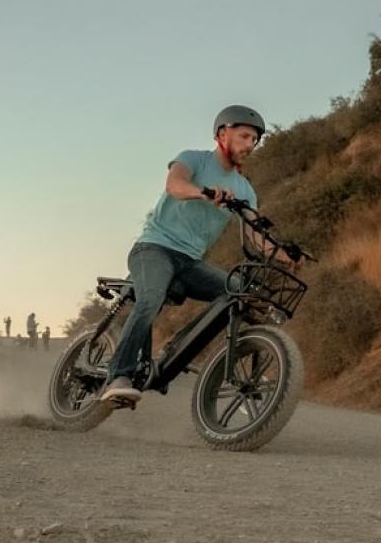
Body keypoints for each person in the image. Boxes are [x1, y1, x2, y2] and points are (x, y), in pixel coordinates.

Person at [99, 105, 295, 406]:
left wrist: (284, 255)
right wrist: (204, 192)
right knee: (151, 299)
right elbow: (174, 185)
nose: (250, 144)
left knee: (239, 295)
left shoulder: (244, 190)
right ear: (222, 134)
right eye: (244, 136)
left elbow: (256, 234)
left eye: (255, 140)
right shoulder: (193, 159)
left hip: (190, 262)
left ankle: (178, 352)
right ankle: (119, 375)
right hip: (154, 248)